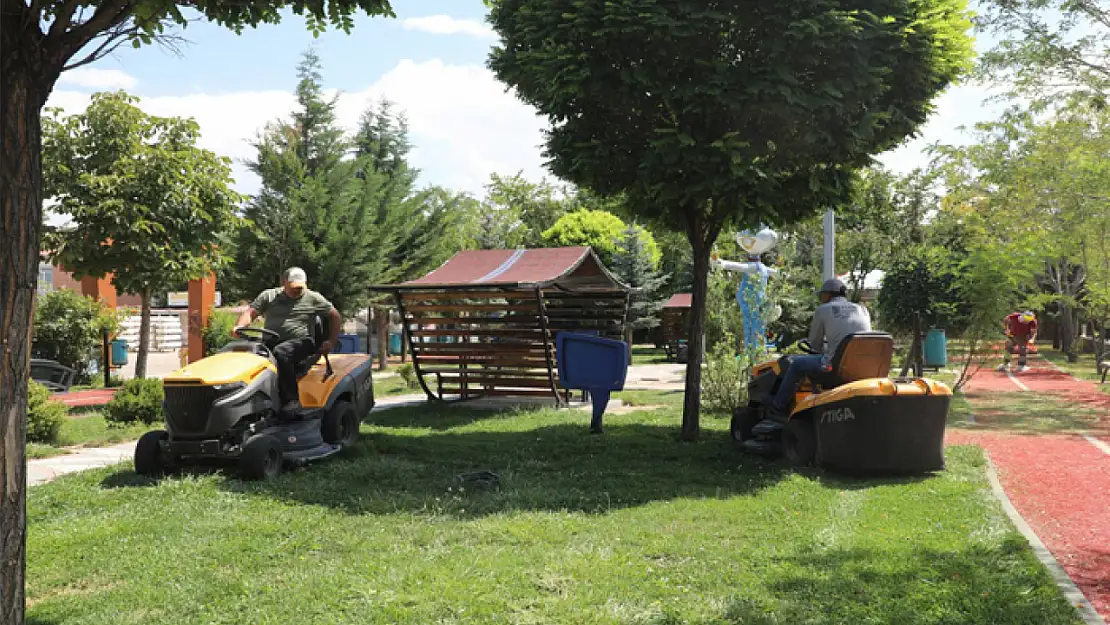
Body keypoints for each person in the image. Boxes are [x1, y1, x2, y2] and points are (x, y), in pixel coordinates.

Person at [234, 267, 342, 414]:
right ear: (283, 283)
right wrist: (240, 326)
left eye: (300, 287)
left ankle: (292, 400)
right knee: (242, 352)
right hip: (271, 341)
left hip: (302, 342)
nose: (297, 291)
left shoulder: (313, 298)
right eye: (293, 288)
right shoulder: (269, 296)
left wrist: (331, 341)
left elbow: (335, 315)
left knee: (281, 352)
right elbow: (250, 313)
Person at [769, 278, 872, 420]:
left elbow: (814, 345)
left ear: (828, 294)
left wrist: (824, 348)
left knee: (797, 364)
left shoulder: (823, 310)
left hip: (836, 367)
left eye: (821, 294)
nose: (820, 298)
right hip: (862, 367)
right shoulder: (862, 309)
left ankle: (777, 408)